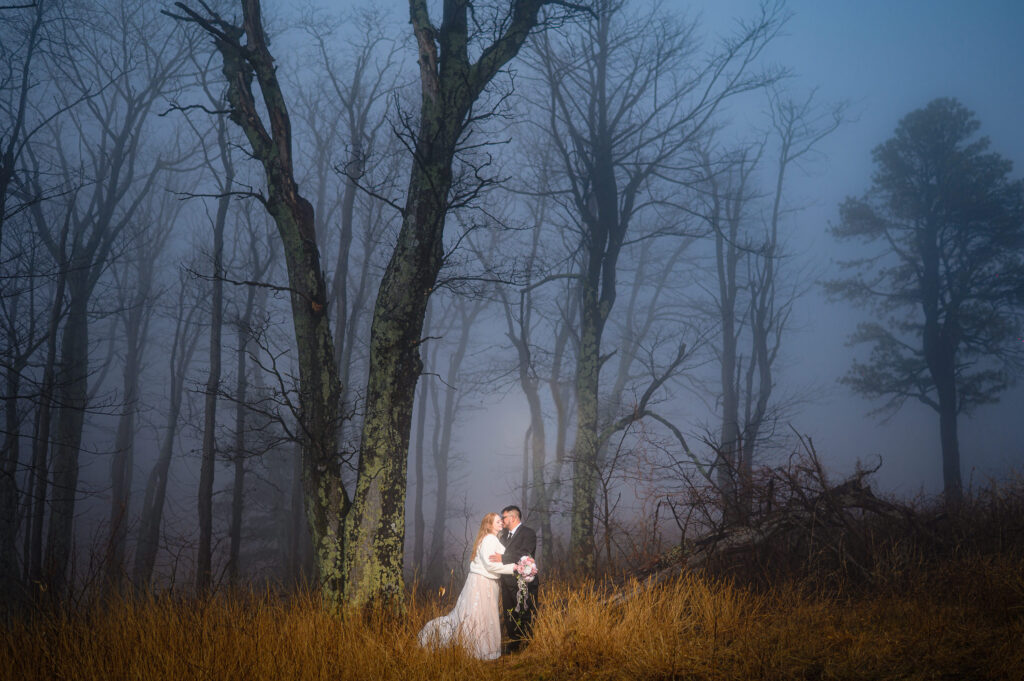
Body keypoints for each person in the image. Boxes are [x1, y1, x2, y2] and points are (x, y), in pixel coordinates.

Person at [417, 512, 514, 660]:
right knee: (479, 615)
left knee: (478, 614)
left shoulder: (491, 539)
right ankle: (479, 650)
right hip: (483, 582)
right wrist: (514, 568)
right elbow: (490, 565)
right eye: (497, 522)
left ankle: (479, 648)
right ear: (489, 525)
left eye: (501, 521)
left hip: (483, 581)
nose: (501, 523)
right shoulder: (489, 539)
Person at [489, 505, 539, 653]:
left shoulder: (528, 533)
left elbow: (525, 552)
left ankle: (527, 643)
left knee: (525, 611)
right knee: (509, 613)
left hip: (524, 580)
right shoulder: (503, 536)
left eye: (503, 517)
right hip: (506, 581)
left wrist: (503, 558)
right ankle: (514, 644)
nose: (502, 520)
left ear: (513, 517)